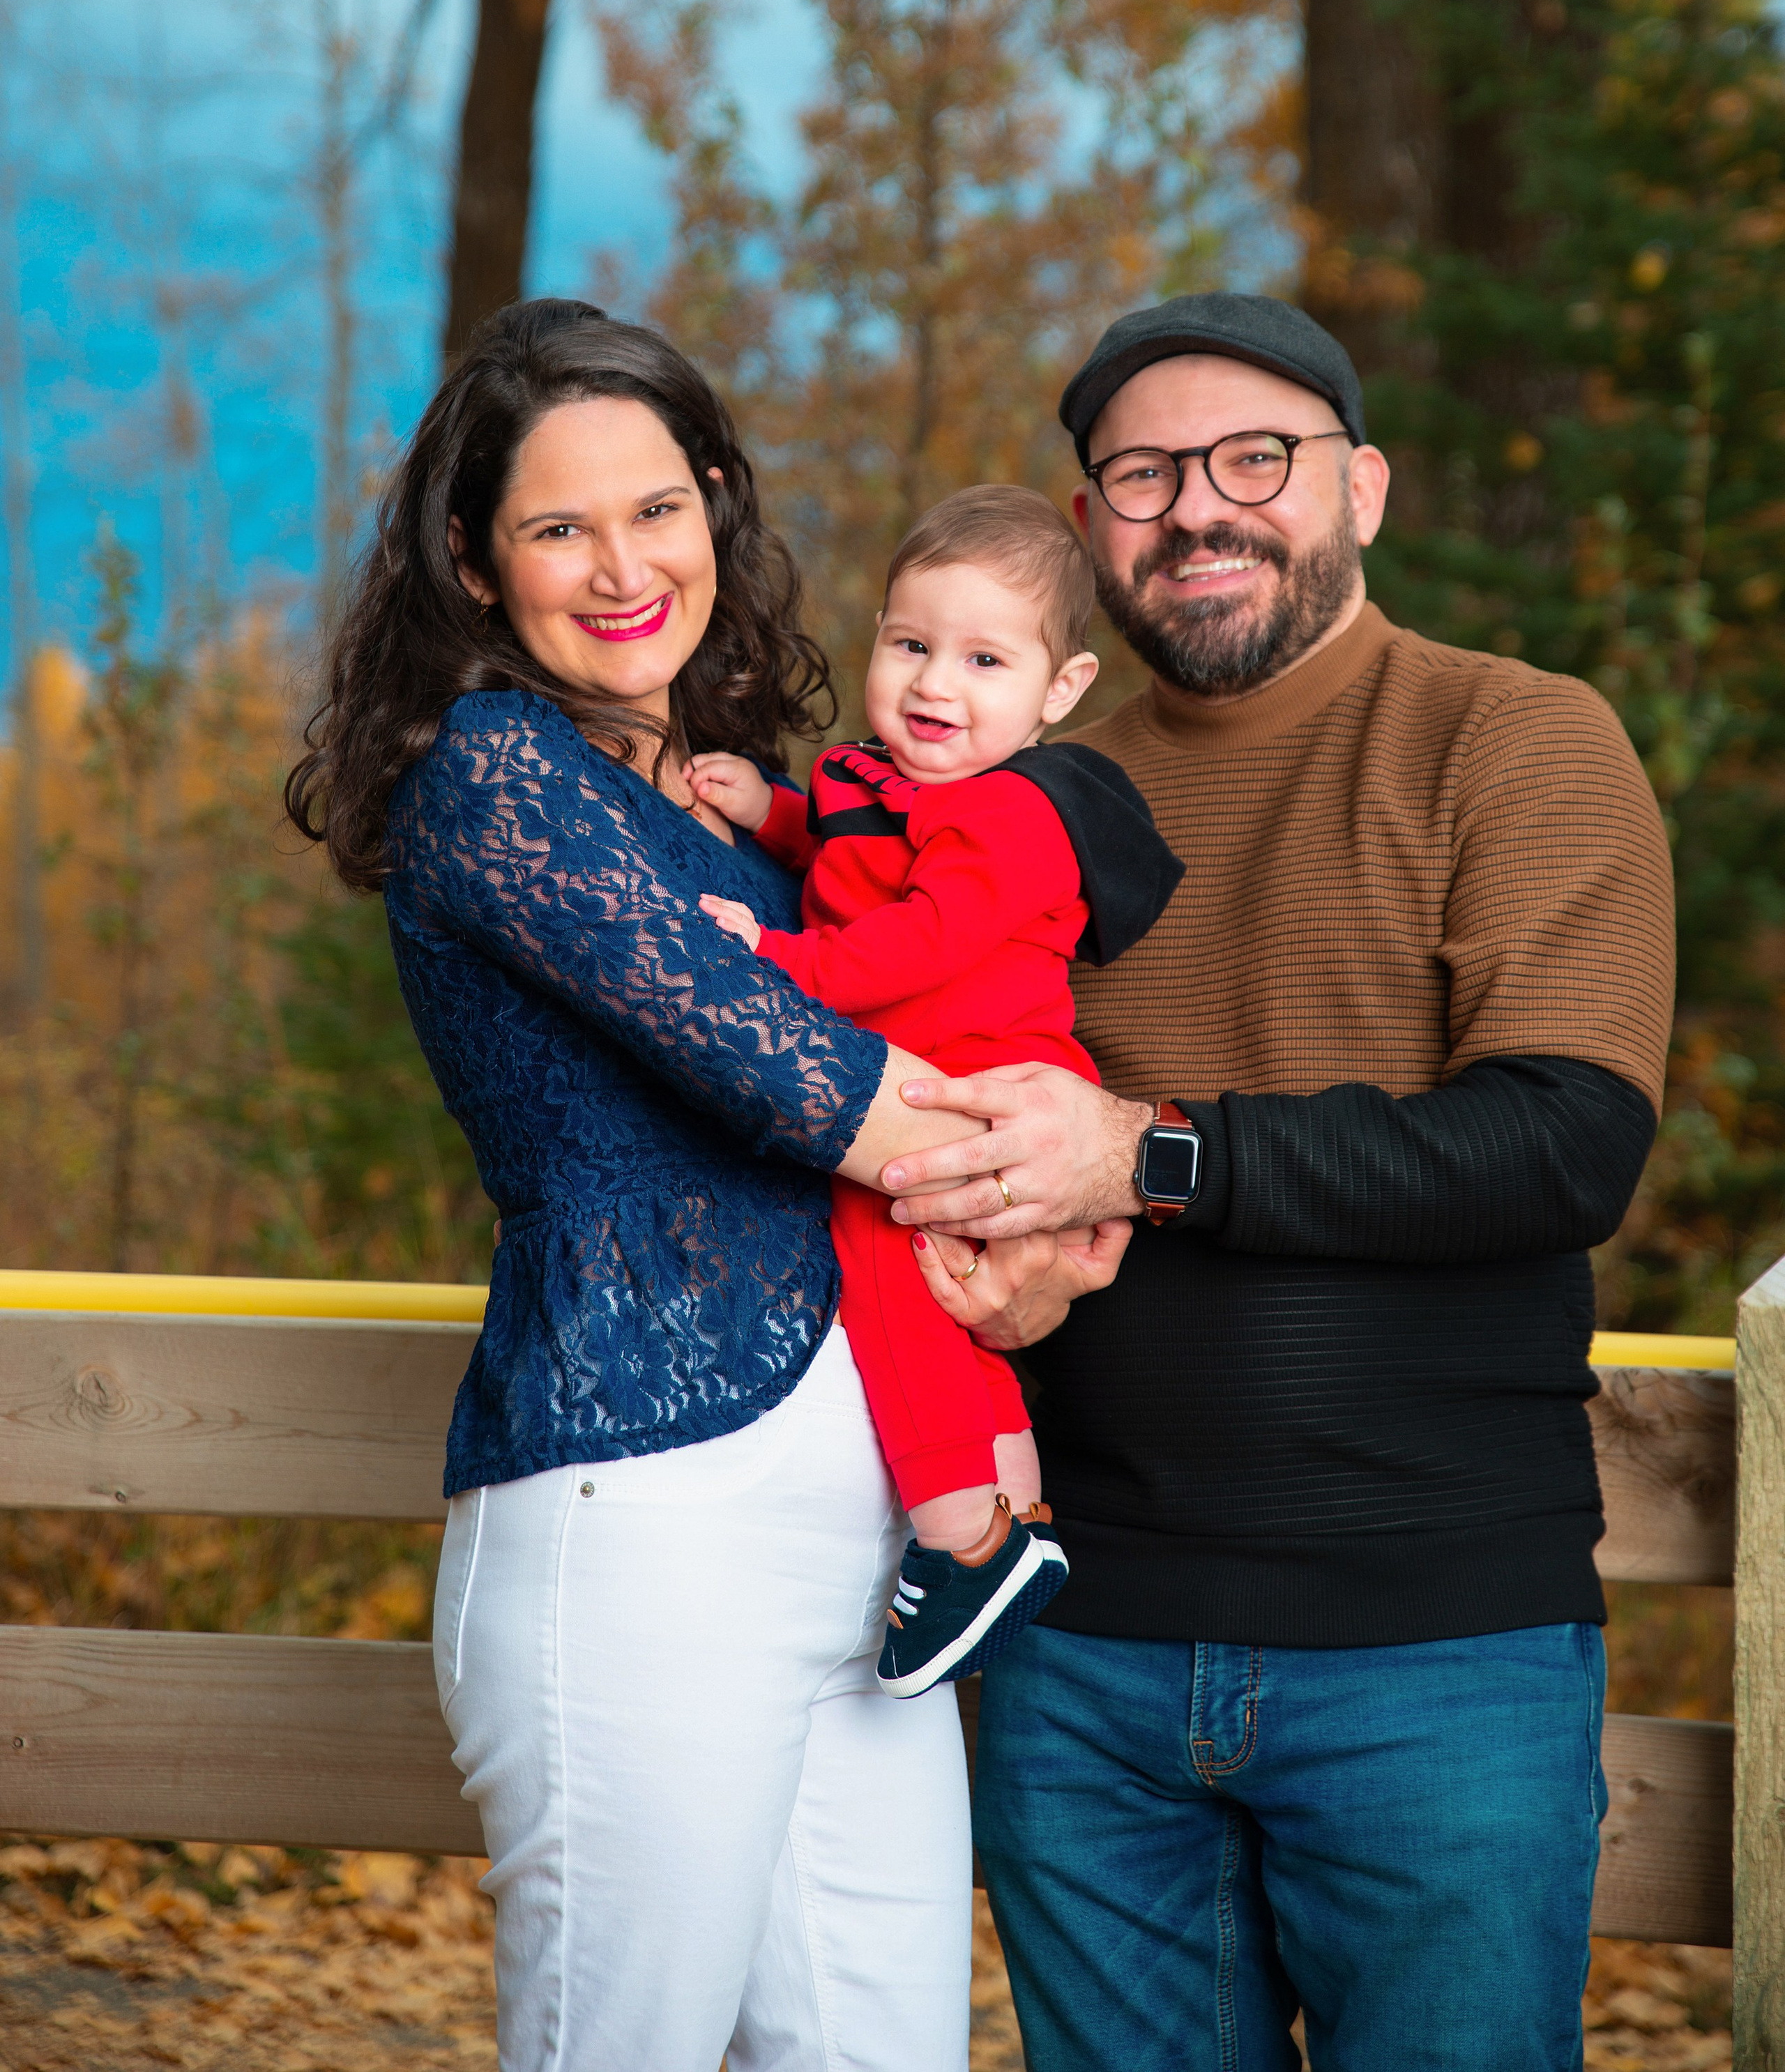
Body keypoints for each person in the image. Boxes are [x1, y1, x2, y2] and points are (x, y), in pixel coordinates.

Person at [869, 292, 1677, 2072]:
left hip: (1430, 1651)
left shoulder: (1514, 740)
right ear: (1087, 533)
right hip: (1082, 1650)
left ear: (1361, 489)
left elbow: (1558, 1140)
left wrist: (1144, 1154)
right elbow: (925, 1114)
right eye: (1142, 475)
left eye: (1257, 460)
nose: (1198, 508)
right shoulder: (1022, 794)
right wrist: (992, 1251)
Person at [283, 299, 1051, 2072]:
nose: (620, 566)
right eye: (557, 526)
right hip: (639, 1522)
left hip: (863, 1539)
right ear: (476, 567)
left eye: (656, 508)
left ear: (716, 506)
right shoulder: (492, 777)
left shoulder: (741, 808)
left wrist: (1057, 1222)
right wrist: (1096, 1164)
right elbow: (798, 1079)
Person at [690, 484, 1182, 1694]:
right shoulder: (893, 783)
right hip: (936, 1080)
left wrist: (774, 965)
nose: (934, 685)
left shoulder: (1013, 816)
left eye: (983, 659)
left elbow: (912, 943)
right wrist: (779, 815)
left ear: (1057, 692)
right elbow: (863, 863)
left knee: (889, 1272)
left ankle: (960, 1537)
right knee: (950, 1306)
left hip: (977, 1089)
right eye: (909, 645)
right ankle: (1012, 1514)